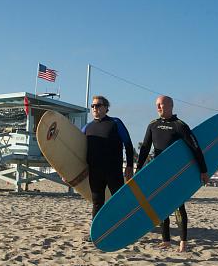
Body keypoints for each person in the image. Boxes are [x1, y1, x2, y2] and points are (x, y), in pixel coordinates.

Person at [136, 95, 209, 252]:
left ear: (170, 106)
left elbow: (195, 149)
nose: (158, 107)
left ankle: (183, 242)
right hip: (158, 172)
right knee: (161, 206)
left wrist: (203, 170)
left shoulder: (179, 125)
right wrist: (138, 171)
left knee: (177, 205)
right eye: (157, 105)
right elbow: (144, 149)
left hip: (175, 174)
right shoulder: (153, 125)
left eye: (161, 104)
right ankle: (166, 240)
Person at [82, 96, 134, 241]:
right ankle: (96, 232)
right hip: (95, 171)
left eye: (98, 105)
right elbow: (75, 149)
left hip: (113, 170)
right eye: (92, 106)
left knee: (118, 200)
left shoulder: (115, 123)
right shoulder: (87, 127)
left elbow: (128, 145)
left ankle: (124, 228)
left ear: (106, 107)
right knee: (97, 201)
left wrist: (129, 165)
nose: (94, 108)